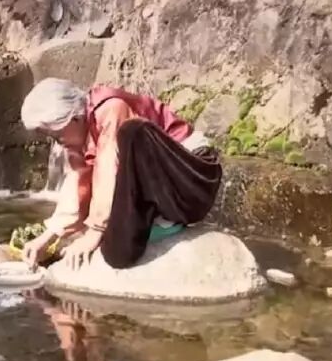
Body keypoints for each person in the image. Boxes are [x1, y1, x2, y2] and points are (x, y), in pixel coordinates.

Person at [19, 78, 222, 269]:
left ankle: (163, 218)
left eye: (56, 135)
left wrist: (95, 230)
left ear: (74, 118)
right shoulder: (78, 136)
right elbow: (79, 183)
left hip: (191, 179)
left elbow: (109, 168)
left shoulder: (111, 108)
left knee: (133, 133)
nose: (56, 141)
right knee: (117, 254)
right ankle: (155, 219)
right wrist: (48, 237)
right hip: (152, 187)